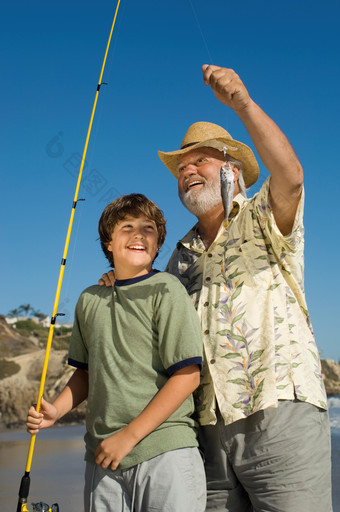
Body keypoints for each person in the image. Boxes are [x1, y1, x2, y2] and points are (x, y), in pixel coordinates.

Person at [100, 65, 332, 512]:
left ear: (232, 168)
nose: (187, 170)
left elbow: (292, 175)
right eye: (181, 167)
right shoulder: (176, 256)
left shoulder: (264, 216)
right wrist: (116, 277)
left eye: (199, 161)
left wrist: (241, 101)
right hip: (204, 432)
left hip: (279, 412)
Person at [26, 193, 206, 512]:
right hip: (103, 457)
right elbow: (86, 374)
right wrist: (56, 410)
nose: (138, 234)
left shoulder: (168, 290)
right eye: (126, 227)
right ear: (108, 242)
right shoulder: (89, 300)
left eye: (148, 228)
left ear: (158, 243)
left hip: (164, 451)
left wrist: (129, 436)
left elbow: (187, 376)